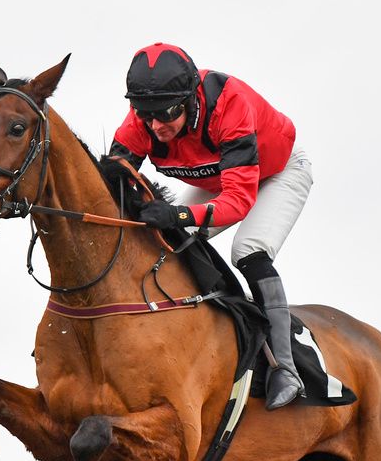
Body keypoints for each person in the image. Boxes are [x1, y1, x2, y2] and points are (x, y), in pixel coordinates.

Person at [108, 42, 313, 410]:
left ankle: (286, 367)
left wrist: (178, 215)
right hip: (220, 181)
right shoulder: (144, 121)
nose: (156, 126)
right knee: (163, 240)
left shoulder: (229, 105)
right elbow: (111, 182)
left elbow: (238, 201)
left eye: (166, 113)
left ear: (189, 100)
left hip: (278, 173)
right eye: (145, 115)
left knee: (247, 249)